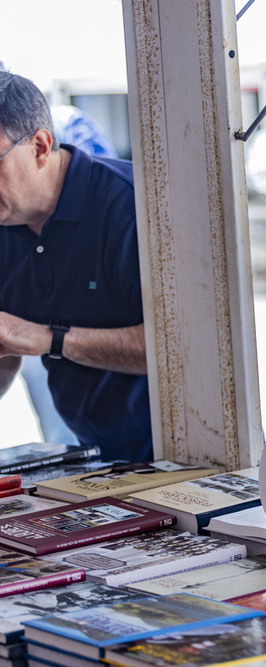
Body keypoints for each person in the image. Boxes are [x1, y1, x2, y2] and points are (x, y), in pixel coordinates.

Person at [0, 71, 152, 463]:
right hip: (91, 452)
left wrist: (49, 338)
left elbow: (177, 348)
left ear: (39, 145)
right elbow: (8, 355)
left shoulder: (132, 206)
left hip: (183, 452)